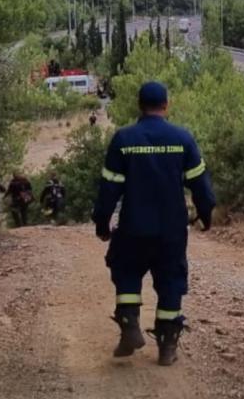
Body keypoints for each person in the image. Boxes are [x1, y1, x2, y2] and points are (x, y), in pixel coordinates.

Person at [92, 81, 216, 366]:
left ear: (139, 105)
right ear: (166, 105)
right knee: (171, 281)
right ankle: (167, 346)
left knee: (126, 272)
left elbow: (109, 188)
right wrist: (206, 214)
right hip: (171, 231)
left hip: (133, 227)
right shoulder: (182, 139)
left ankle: (130, 325)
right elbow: (200, 185)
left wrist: (101, 222)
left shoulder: (123, 140)